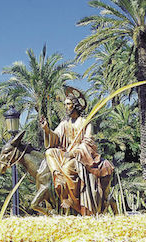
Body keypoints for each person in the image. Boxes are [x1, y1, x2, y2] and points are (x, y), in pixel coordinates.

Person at [39, 86, 114, 215]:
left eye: (68, 104)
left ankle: (71, 200)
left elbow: (88, 142)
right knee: (49, 152)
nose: (66, 107)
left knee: (68, 167)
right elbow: (55, 138)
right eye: (65, 104)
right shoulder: (64, 123)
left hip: (81, 157)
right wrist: (46, 129)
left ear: (75, 105)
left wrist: (74, 152)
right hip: (66, 154)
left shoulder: (85, 122)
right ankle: (58, 176)